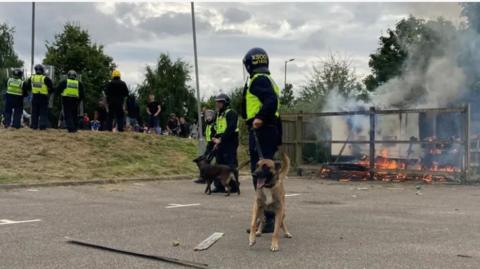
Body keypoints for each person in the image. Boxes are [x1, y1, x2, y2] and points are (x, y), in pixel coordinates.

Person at [241, 47, 282, 233]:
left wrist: (259, 118)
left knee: (260, 174)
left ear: (250, 64)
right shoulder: (267, 80)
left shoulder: (258, 80)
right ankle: (268, 216)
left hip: (261, 131)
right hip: (269, 131)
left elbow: (270, 101)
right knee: (265, 175)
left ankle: (268, 218)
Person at [211, 93, 239, 193]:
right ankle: (219, 186)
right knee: (218, 164)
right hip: (221, 142)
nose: (217, 104)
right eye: (217, 102)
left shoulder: (231, 113)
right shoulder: (219, 115)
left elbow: (230, 128)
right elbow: (218, 129)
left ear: (225, 103)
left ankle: (234, 186)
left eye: (219, 102)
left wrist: (221, 139)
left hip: (230, 142)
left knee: (229, 165)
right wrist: (215, 140)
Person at [24, 64, 53, 130]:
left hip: (35, 96)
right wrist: (49, 93)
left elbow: (27, 86)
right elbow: (51, 87)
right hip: (43, 97)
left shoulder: (32, 78)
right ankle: (42, 126)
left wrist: (32, 90)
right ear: (42, 70)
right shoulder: (45, 78)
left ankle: (34, 126)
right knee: (43, 112)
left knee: (34, 112)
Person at [193, 109, 216, 184]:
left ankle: (207, 178)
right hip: (209, 144)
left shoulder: (214, 124)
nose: (208, 117)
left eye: (210, 115)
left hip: (214, 144)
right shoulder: (207, 125)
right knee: (203, 160)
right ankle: (203, 177)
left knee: (206, 161)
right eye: (207, 115)